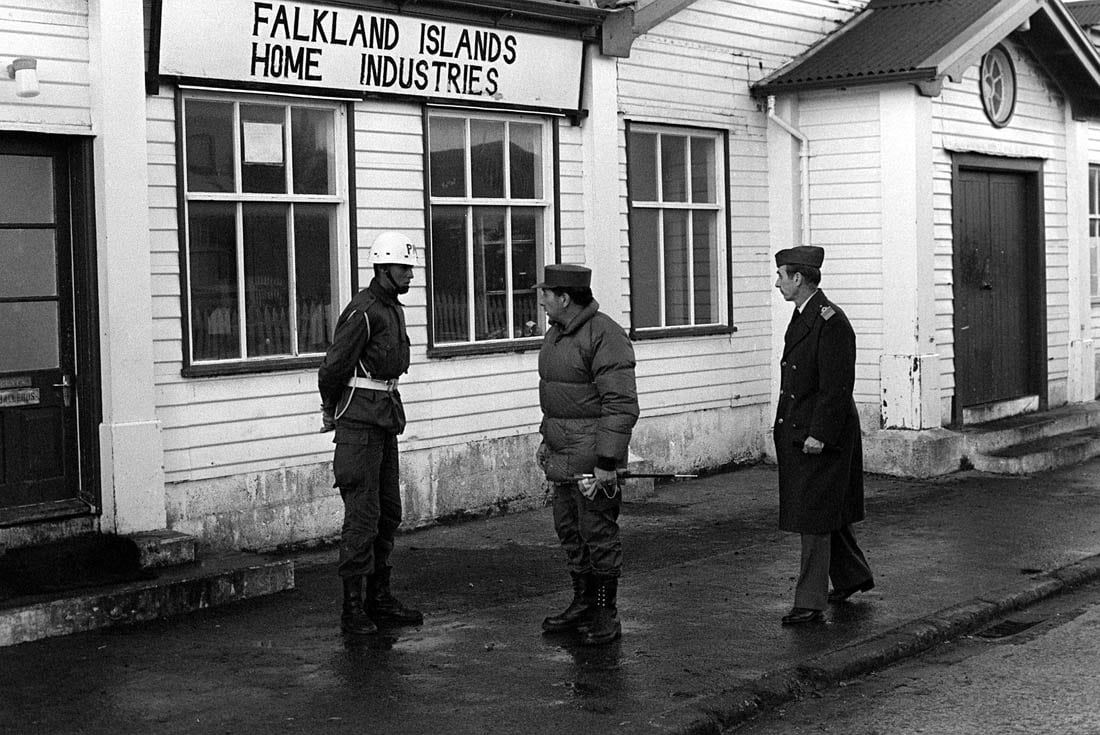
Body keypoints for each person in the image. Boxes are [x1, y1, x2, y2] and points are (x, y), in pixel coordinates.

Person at [318, 231, 424, 635]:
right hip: (358, 424)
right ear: (382, 268)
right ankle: (353, 608)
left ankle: (379, 598)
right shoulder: (363, 310)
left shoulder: (391, 308)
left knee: (388, 512)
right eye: (403, 268)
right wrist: (331, 409)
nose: (410, 275)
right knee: (362, 517)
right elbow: (333, 368)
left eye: (410, 268)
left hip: (383, 418)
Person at [535, 264, 639, 646]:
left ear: (564, 298)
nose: (542, 301)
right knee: (570, 532)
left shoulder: (606, 336)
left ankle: (604, 611)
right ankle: (581, 602)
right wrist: (546, 441)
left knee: (598, 535)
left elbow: (621, 404)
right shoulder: (557, 334)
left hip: (593, 462)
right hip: (563, 458)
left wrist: (607, 462)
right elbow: (558, 398)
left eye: (546, 294)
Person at [772, 245, 874, 626]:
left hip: (820, 436)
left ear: (798, 278)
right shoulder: (805, 316)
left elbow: (836, 387)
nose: (777, 283)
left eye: (781, 275)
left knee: (814, 515)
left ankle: (810, 602)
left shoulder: (831, 322)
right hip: (800, 429)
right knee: (825, 508)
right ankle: (853, 576)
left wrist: (819, 435)